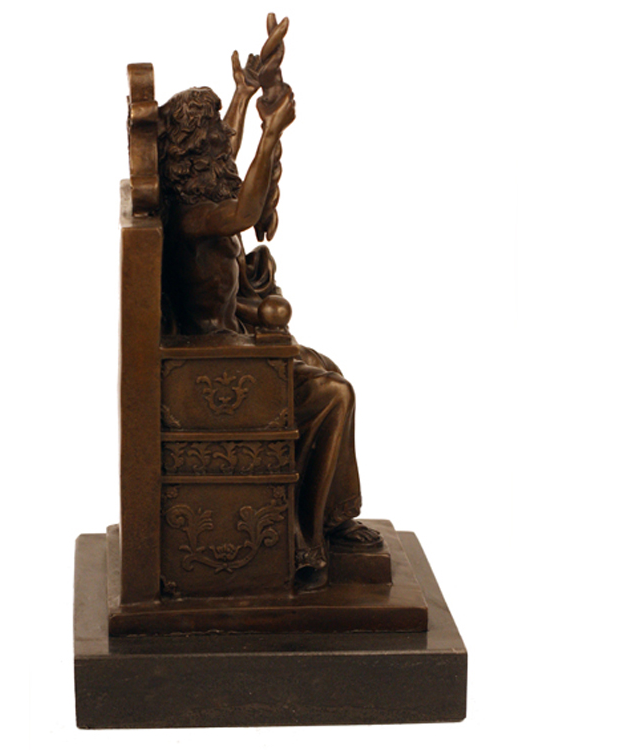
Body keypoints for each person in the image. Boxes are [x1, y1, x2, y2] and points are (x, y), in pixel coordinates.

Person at [157, 52, 381, 588]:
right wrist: (272, 133)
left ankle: (332, 515)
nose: (223, 139)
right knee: (335, 395)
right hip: (218, 364)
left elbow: (227, 158)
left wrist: (244, 92)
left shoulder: (193, 189)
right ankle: (305, 538)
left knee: (326, 368)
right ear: (197, 149)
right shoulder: (196, 218)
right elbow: (246, 211)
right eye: (214, 133)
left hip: (236, 340)